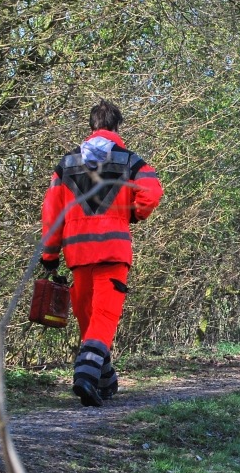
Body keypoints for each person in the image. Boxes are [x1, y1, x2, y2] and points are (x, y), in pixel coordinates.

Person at [40, 99, 163, 407]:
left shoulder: (66, 164)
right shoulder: (129, 160)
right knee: (104, 318)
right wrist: (134, 213)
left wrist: (49, 255)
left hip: (78, 254)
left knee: (88, 318)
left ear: (91, 126)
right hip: (113, 251)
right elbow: (152, 190)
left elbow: (51, 212)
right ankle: (85, 377)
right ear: (116, 126)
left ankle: (105, 382)